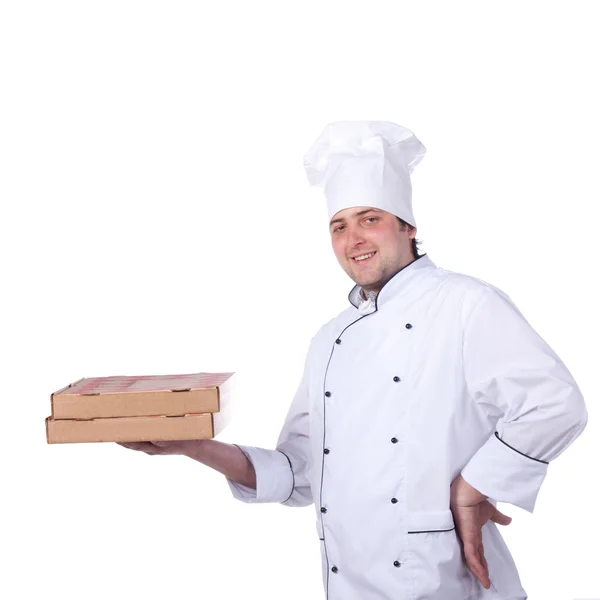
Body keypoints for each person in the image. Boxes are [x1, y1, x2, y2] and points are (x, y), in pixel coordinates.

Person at [119, 121, 588, 600]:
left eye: (370, 218)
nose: (353, 238)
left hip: (443, 582)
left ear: (407, 225)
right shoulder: (329, 339)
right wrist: (191, 445)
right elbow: (300, 471)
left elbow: (554, 404)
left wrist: (473, 487)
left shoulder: (465, 304)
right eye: (338, 226)